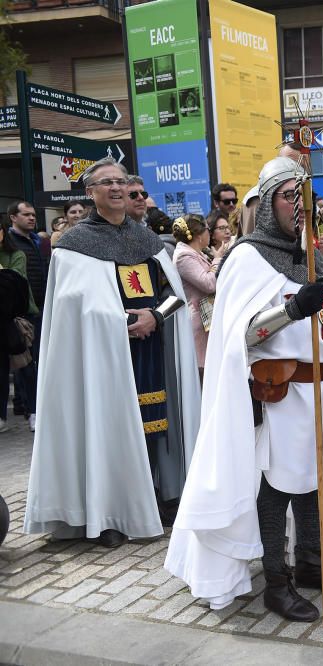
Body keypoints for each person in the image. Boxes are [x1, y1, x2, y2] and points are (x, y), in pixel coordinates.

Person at [166, 156, 323, 621]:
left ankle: (310, 566)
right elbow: (239, 334)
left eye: (307, 198)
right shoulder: (246, 256)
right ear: (265, 204)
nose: (300, 206)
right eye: (289, 196)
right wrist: (292, 311)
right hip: (276, 393)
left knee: (313, 483)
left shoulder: (316, 256)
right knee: (277, 487)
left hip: (322, 389)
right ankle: (276, 584)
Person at [24, 156, 201, 548]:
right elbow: (73, 310)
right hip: (102, 357)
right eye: (107, 183)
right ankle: (109, 511)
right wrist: (118, 320)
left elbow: (173, 293)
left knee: (155, 426)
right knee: (108, 428)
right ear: (91, 193)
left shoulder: (150, 241)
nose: (118, 188)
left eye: (122, 181)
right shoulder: (73, 246)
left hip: (150, 350)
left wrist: (155, 315)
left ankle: (154, 497)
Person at [6, 201, 47, 432]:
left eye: (33, 215)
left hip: (40, 309)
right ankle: (32, 410)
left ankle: (36, 407)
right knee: (26, 364)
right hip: (22, 313)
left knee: (38, 362)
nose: (32, 218)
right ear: (13, 217)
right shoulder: (9, 243)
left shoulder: (37, 241)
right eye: (26, 215)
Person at [171, 214, 220, 371]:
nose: (210, 233)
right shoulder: (184, 256)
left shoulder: (196, 252)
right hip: (199, 322)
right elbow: (209, 284)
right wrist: (218, 260)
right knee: (203, 374)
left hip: (207, 320)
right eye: (208, 229)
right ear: (199, 234)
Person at [0, 222, 36, 433]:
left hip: (15, 317)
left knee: (26, 365)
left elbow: (14, 283)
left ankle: (34, 411)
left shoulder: (16, 255)